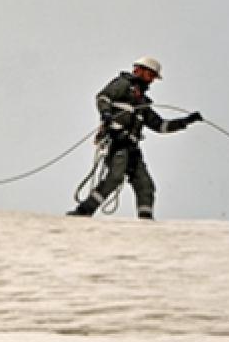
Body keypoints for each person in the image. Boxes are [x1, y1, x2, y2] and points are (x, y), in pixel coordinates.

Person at [67, 56, 202, 220]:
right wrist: (106, 114)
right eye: (150, 75)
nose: (152, 80)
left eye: (154, 77)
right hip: (117, 142)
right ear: (140, 70)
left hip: (132, 147)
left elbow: (160, 125)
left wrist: (185, 121)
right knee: (115, 177)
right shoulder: (123, 84)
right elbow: (103, 97)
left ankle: (145, 222)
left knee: (145, 185)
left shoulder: (143, 102)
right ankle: (83, 212)